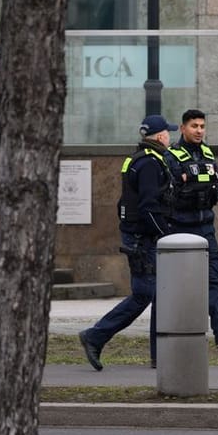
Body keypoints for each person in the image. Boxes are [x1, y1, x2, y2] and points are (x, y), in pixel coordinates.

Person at [79, 114, 177, 370]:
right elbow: (147, 206)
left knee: (150, 294)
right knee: (146, 294)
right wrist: (165, 235)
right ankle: (96, 336)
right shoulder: (149, 164)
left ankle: (156, 353)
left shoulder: (140, 159)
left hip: (139, 236)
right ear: (159, 136)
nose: (170, 136)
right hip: (143, 238)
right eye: (168, 132)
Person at [161, 109, 218, 348]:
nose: (199, 130)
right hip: (179, 228)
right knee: (174, 287)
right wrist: (194, 182)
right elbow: (173, 189)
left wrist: (196, 182)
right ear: (183, 128)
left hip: (205, 227)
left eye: (202, 126)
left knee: (212, 278)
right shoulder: (172, 156)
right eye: (194, 126)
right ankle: (171, 341)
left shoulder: (208, 153)